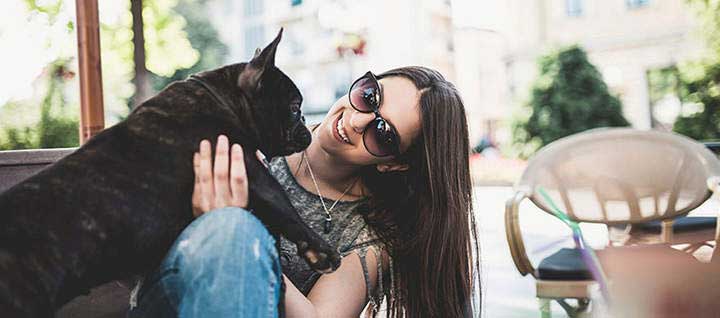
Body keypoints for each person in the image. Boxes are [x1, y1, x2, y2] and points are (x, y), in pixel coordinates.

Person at [129, 66, 481, 317]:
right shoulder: (249, 126)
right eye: (369, 95)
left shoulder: (369, 235)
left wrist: (240, 233)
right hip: (169, 300)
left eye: (382, 133)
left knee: (237, 229)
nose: (357, 121)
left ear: (394, 164)